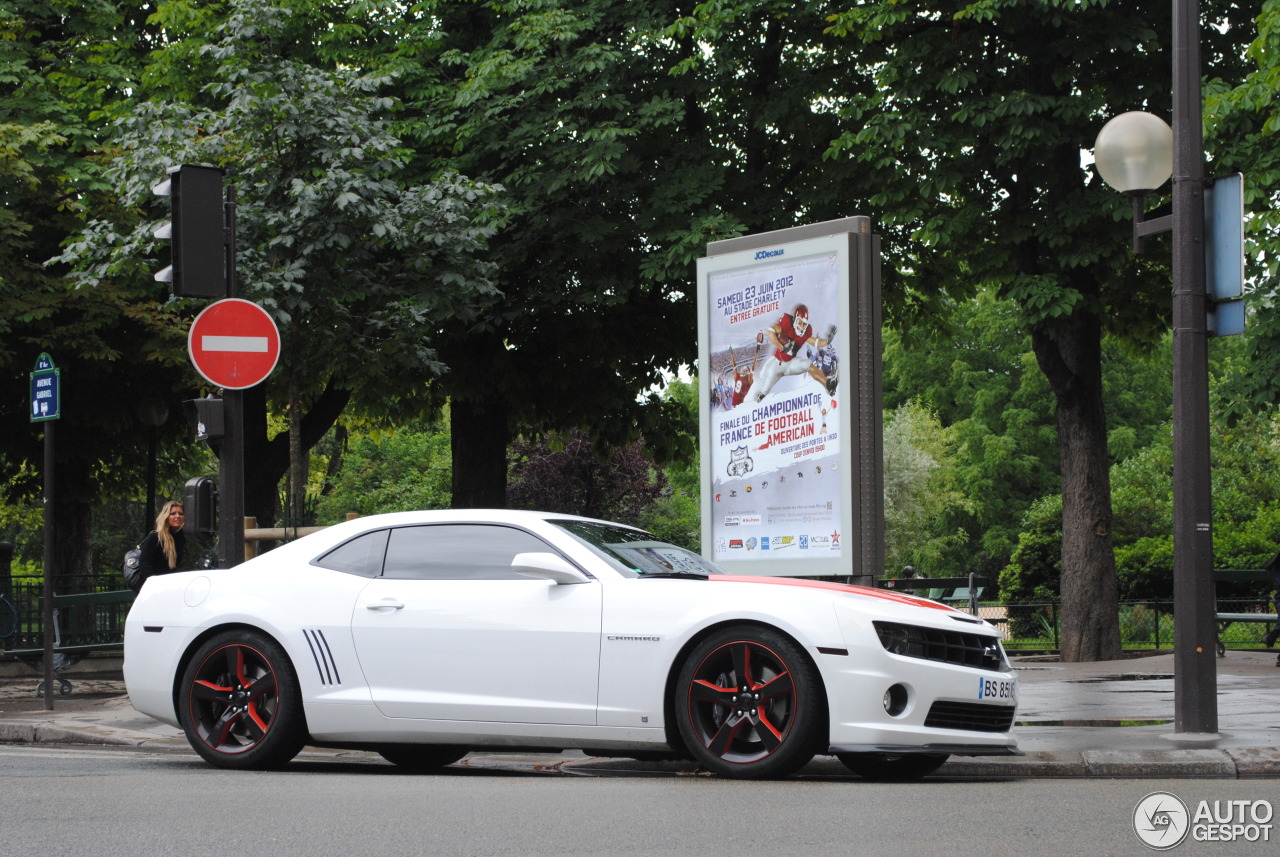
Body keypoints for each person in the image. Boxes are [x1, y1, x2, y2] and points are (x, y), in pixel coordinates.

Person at [751, 304, 835, 402]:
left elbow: (814, 342)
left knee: (809, 365)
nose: (802, 326)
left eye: (804, 324)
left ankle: (829, 385)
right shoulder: (786, 322)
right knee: (765, 389)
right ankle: (760, 396)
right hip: (778, 363)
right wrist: (782, 347)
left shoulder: (806, 331)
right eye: (800, 322)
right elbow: (770, 332)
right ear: (795, 318)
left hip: (791, 363)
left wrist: (826, 341)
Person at [136, 500, 187, 585]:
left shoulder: (181, 538)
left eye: (181, 514)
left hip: (171, 585)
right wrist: (154, 584)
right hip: (154, 587)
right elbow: (144, 564)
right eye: (173, 514)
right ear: (166, 517)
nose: (177, 516)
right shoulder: (155, 537)